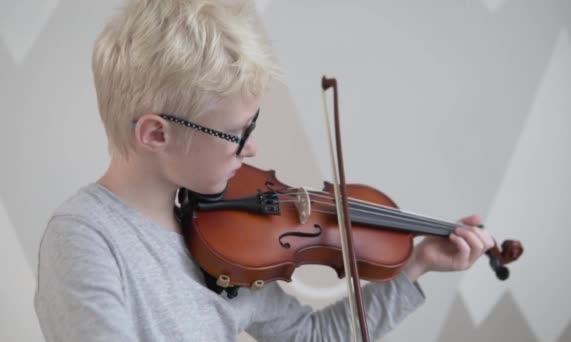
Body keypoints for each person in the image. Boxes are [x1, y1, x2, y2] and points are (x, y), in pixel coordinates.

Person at [34, 0, 494, 341]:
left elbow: (311, 337)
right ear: (157, 134)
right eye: (235, 131)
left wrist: (416, 265)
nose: (250, 147)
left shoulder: (225, 237)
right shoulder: (85, 237)